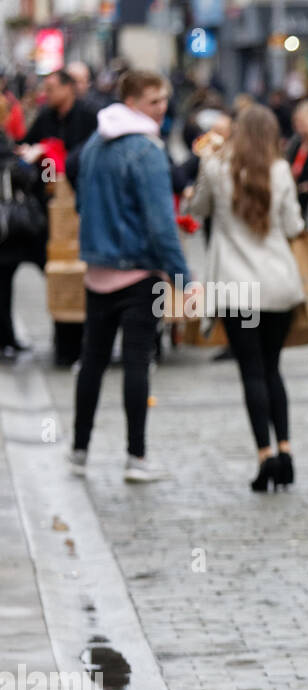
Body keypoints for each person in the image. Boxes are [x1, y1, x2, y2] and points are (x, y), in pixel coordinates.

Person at [68, 70, 192, 483]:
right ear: (134, 100)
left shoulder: (94, 144)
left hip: (98, 270)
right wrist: (183, 280)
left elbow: (82, 202)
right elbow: (162, 224)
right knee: (138, 363)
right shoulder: (146, 149)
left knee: (93, 362)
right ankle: (136, 457)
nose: (163, 109)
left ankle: (79, 451)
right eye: (156, 101)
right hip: (139, 271)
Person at [183, 105, 306, 491]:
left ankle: (264, 456)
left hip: (237, 288)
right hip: (277, 284)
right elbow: (294, 226)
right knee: (273, 368)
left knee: (251, 371)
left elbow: (197, 209)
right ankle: (286, 452)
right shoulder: (281, 170)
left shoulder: (218, 167)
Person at [21, 69, 100, 366]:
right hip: (53, 213)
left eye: (52, 87)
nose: (47, 93)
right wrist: (40, 154)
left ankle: (84, 344)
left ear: (70, 89)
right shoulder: (46, 116)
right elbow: (27, 145)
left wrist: (65, 160)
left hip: (85, 209)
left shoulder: (90, 115)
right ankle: (66, 345)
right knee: (60, 278)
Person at [0, 96, 46, 356]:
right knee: (4, 282)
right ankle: (6, 338)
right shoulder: (2, 142)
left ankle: (7, 337)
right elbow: (21, 177)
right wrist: (28, 162)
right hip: (7, 226)